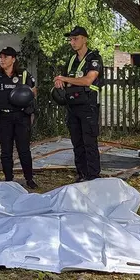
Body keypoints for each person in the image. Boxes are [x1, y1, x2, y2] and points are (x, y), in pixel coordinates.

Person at [54, 26, 103, 183]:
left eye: (76, 39)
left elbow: (88, 80)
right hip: (72, 106)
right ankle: (81, 175)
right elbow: (63, 80)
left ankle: (93, 177)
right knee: (77, 143)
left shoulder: (93, 59)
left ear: (84, 39)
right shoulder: (71, 60)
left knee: (89, 142)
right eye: (71, 39)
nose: (72, 42)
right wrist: (58, 82)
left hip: (88, 106)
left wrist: (64, 79)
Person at [0, 46, 38, 189]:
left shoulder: (24, 75)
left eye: (5, 57)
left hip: (21, 117)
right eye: (0, 57)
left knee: (24, 149)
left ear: (13, 59)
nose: (2, 60)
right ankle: (9, 180)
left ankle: (29, 179)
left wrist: (28, 104)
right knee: (6, 151)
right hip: (4, 118)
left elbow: (33, 92)